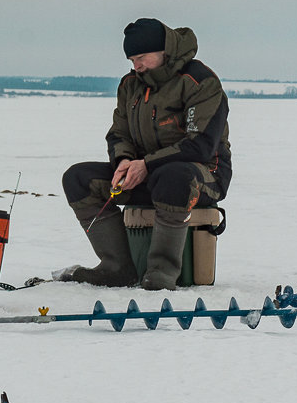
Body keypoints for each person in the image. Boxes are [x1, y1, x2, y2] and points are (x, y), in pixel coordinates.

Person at [61, 18, 232, 290]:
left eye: (142, 57)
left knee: (173, 175)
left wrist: (147, 165)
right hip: (148, 177)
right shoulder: (131, 85)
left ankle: (161, 274)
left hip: (203, 179)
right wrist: (124, 161)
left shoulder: (199, 81)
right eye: (132, 59)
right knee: (78, 179)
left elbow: (200, 146)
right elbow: (119, 133)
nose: (136, 65)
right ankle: (117, 268)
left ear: (164, 50)